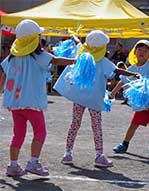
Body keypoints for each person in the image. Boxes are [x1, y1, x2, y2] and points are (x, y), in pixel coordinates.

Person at [0, 19, 76, 177]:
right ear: (34, 38)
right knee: (40, 132)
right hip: (32, 102)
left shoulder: (12, 57)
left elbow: (4, 75)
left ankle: (13, 165)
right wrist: (75, 61)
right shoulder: (39, 55)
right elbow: (55, 60)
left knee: (18, 134)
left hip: (15, 103)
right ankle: (33, 163)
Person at [55, 30, 138, 167]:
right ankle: (99, 155)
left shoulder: (82, 53)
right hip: (94, 98)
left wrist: (72, 35)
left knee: (74, 124)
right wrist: (132, 73)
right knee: (96, 126)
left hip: (79, 97)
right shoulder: (102, 61)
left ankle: (67, 153)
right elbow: (117, 71)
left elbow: (77, 42)